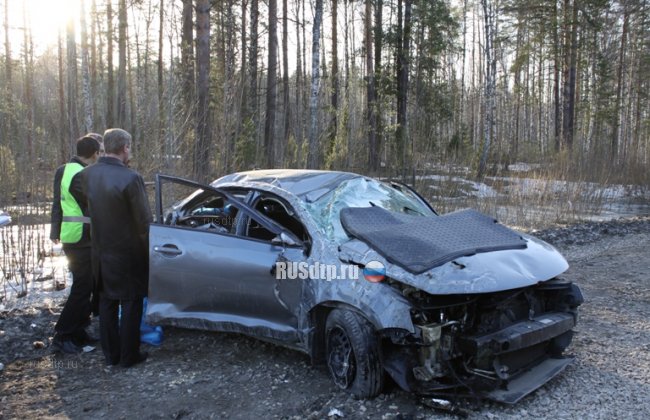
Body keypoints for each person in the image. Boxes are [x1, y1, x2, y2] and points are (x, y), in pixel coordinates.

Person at [71, 128, 152, 367]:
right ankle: (129, 356)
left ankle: (111, 356)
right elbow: (144, 222)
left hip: (100, 251)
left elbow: (83, 199)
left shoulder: (86, 175)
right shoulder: (131, 178)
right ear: (125, 148)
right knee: (131, 302)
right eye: (130, 148)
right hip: (128, 253)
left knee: (106, 303)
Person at [50, 133, 103, 354]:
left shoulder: (66, 169)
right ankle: (62, 335)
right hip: (81, 238)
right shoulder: (81, 174)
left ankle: (79, 332)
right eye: (100, 151)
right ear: (95, 154)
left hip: (74, 237)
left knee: (86, 286)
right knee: (82, 289)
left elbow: (59, 203)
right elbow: (95, 202)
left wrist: (55, 230)